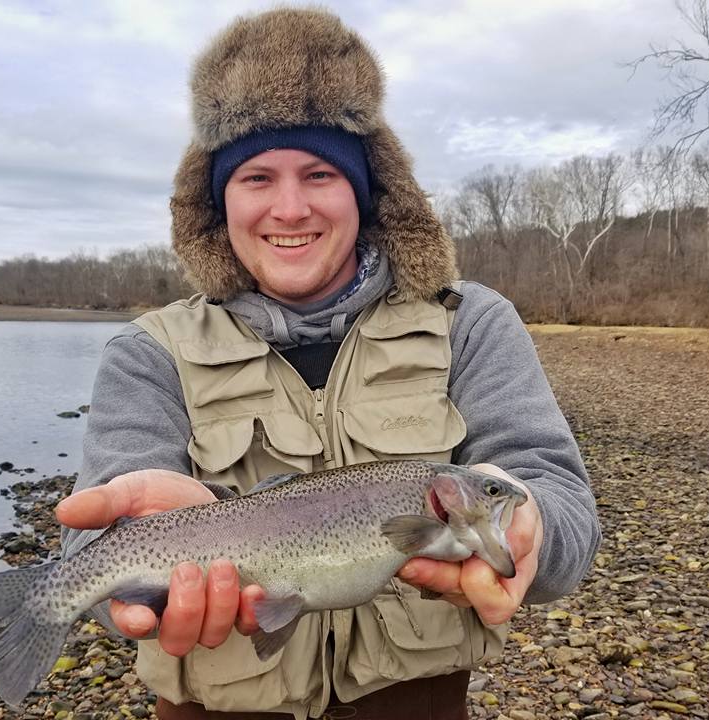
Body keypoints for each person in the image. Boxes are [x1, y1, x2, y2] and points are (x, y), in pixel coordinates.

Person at [56, 8, 601, 720]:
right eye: (256, 177)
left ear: (364, 193)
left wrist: (529, 521)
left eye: (319, 173)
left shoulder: (470, 322)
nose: (289, 207)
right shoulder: (147, 353)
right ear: (219, 203)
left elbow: (565, 514)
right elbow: (93, 534)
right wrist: (120, 585)